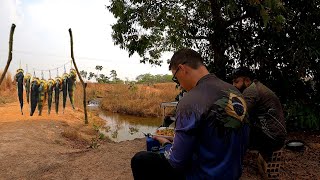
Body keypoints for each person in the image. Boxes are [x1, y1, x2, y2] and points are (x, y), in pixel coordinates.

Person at [131, 48, 250, 180]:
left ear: (182, 69)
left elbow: (176, 162)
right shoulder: (236, 92)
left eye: (176, 78)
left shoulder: (190, 100)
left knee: (140, 160)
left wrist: (166, 143)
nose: (180, 85)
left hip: (203, 175)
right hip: (232, 173)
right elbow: (215, 137)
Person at [231, 67, 287, 158]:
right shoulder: (256, 86)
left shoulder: (251, 91)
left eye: (236, 82)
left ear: (247, 80)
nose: (233, 85)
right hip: (276, 136)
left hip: (273, 139)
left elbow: (239, 114)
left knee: (235, 125)